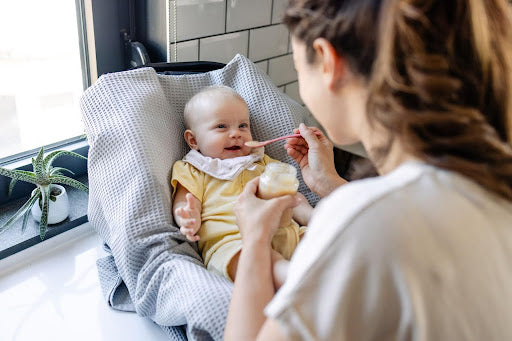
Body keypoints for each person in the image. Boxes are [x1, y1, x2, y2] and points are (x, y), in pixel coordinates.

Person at [225, 0, 512, 339]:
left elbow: (378, 228)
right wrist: (330, 184)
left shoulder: (365, 222)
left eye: (298, 67)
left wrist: (256, 239)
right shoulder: (487, 179)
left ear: (328, 62)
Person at [171, 85, 312, 282]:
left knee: (318, 239)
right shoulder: (194, 168)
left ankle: (316, 265)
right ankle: (288, 277)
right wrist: (187, 216)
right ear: (193, 140)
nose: (236, 133)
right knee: (239, 260)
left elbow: (292, 196)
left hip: (285, 233)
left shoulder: (261, 161)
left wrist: (311, 217)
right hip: (232, 242)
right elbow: (182, 202)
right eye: (221, 126)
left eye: (243, 126)